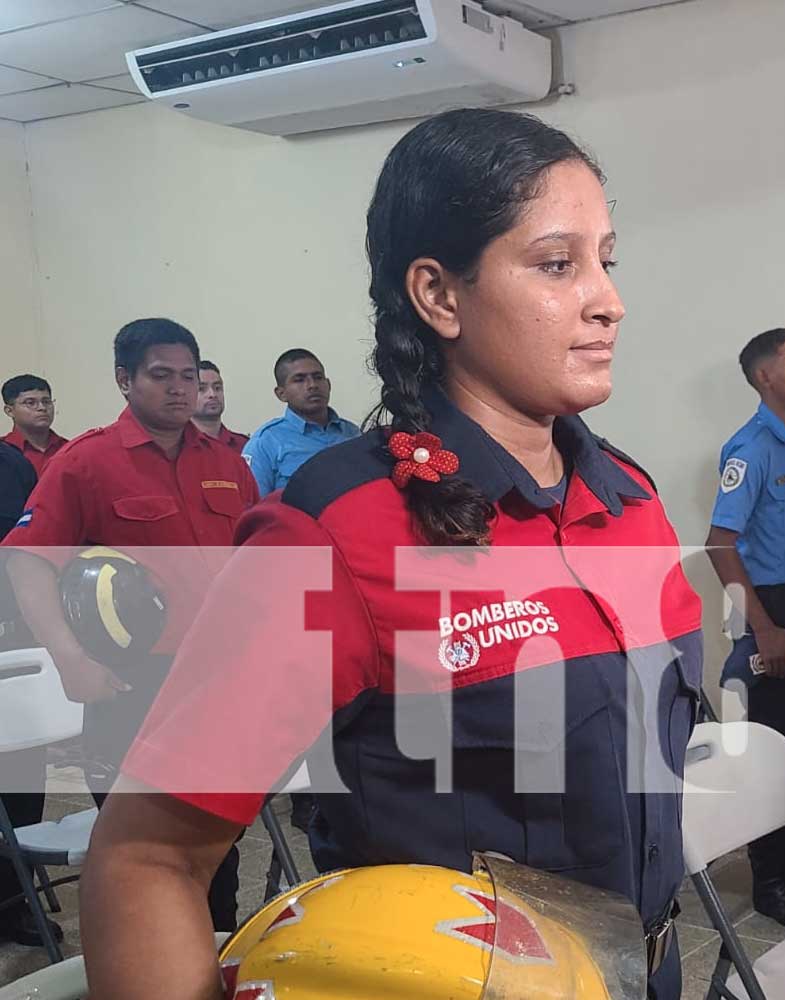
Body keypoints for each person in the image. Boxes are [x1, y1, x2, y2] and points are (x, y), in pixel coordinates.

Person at [79, 109, 703, 1000]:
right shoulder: (340, 532)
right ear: (439, 295)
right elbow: (149, 855)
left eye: (608, 259)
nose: (608, 298)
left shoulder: (629, 501)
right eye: (557, 264)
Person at [1, 318, 259, 935]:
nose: (179, 390)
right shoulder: (85, 463)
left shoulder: (228, 465)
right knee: (142, 859)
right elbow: (28, 560)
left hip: (214, 687)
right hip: (131, 690)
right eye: (160, 376)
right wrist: (70, 659)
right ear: (125, 380)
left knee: (215, 851)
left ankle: (210, 960)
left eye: (188, 376)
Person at [704, 328, 785, 930]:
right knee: (771, 755)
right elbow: (720, 544)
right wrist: (762, 629)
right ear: (765, 378)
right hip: (772, 614)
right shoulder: (750, 449)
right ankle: (771, 883)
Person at [0, 438, 52, 950]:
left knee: (18, 782)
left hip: (9, 637)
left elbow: (29, 554)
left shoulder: (9, 464)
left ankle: (13, 907)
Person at [241, 348, 359, 495]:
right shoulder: (265, 443)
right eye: (299, 380)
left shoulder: (353, 434)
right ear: (281, 394)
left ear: (328, 385)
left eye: (318, 377)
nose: (312, 385)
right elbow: (254, 509)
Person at [2, 374, 68, 478]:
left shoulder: (69, 449)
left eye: (46, 402)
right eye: (30, 403)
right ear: (10, 411)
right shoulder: (3, 453)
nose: (42, 408)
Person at [192, 359, 250, 451]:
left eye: (217, 388)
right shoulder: (176, 447)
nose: (212, 394)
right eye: (201, 389)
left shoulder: (245, 445)